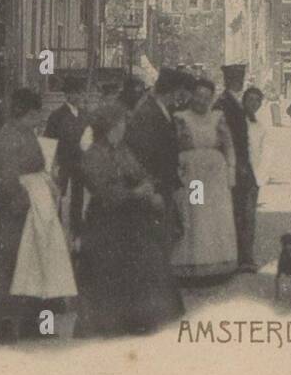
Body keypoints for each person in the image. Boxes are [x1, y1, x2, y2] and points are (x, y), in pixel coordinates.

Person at [0, 88, 76, 342]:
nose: (39, 118)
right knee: (15, 265)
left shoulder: (21, 132)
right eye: (36, 113)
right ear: (26, 112)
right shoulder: (11, 135)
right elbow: (7, 171)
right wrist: (22, 200)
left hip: (32, 200)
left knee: (37, 263)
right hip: (18, 204)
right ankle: (8, 327)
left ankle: (34, 325)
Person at [76, 102, 175, 336]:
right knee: (111, 271)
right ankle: (113, 323)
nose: (124, 128)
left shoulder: (122, 149)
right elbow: (102, 192)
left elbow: (139, 172)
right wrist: (135, 193)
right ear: (111, 126)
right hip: (106, 219)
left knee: (141, 266)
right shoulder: (93, 154)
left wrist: (149, 187)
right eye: (121, 124)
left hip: (130, 216)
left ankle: (136, 320)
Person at [123, 67, 190, 329]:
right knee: (152, 251)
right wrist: (154, 190)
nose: (181, 99)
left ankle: (157, 310)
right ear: (171, 92)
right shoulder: (148, 114)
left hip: (161, 189)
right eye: (180, 93)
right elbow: (144, 158)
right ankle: (146, 314)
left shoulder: (159, 111)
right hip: (153, 193)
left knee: (161, 247)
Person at [172, 76, 239, 281]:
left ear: (211, 99)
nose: (202, 101)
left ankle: (217, 264)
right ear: (192, 95)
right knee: (195, 213)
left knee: (215, 216)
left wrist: (231, 171)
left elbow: (228, 145)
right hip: (193, 174)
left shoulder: (217, 117)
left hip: (215, 176)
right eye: (198, 95)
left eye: (206, 97)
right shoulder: (181, 117)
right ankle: (193, 264)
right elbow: (174, 146)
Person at [217, 64, 259, 273]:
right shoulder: (225, 103)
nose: (240, 82)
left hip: (242, 165)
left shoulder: (232, 102)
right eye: (237, 79)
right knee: (242, 213)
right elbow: (230, 139)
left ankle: (242, 256)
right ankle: (243, 258)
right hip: (237, 167)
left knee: (243, 212)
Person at [45, 76, 87, 238]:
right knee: (58, 194)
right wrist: (52, 164)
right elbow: (49, 140)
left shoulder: (83, 114)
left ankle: (76, 228)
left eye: (81, 93)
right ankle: (55, 228)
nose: (80, 96)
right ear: (68, 95)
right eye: (77, 93)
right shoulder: (57, 116)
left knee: (78, 195)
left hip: (79, 161)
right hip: (62, 161)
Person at [243, 86, 271, 191]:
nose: (253, 103)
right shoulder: (237, 121)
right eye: (250, 99)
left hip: (253, 174)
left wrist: (261, 177)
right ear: (244, 101)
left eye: (257, 100)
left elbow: (265, 152)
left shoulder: (260, 126)